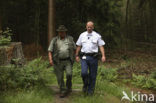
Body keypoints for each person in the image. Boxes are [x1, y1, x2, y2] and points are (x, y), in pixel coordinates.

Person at [75, 21, 106, 95]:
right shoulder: (82, 35)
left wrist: (103, 55)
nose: (89, 28)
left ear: (93, 27)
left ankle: (90, 91)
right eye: (88, 27)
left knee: (93, 75)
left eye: (91, 27)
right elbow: (78, 46)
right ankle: (85, 85)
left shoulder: (97, 35)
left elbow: (101, 46)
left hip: (93, 58)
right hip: (84, 57)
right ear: (86, 27)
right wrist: (76, 55)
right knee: (84, 73)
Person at [48, 25, 76, 98]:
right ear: (58, 32)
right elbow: (50, 51)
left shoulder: (70, 39)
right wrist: (50, 60)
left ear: (65, 32)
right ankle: (63, 91)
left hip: (68, 60)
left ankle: (68, 87)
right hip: (57, 61)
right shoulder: (54, 40)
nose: (61, 33)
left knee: (69, 74)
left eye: (63, 32)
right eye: (60, 32)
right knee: (60, 78)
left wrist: (74, 57)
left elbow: (75, 48)